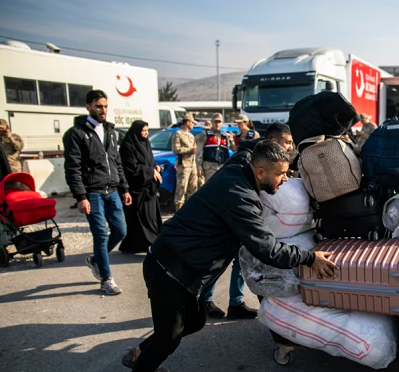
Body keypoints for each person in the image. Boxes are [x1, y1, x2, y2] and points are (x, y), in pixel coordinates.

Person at [122, 140, 337, 372]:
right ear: (261, 171)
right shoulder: (240, 197)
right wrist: (310, 258)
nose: (285, 179)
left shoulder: (239, 166)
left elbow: (246, 149)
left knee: (194, 321)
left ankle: (141, 354)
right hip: (169, 269)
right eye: (281, 174)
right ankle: (143, 363)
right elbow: (267, 249)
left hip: (185, 268)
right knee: (169, 338)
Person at [203, 122, 295, 319]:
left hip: (249, 216)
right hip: (231, 218)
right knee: (220, 259)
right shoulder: (245, 158)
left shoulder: (273, 161)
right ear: (273, 141)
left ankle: (236, 302)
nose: (290, 147)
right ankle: (205, 300)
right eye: (287, 142)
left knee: (242, 261)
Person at [63, 90, 132, 295]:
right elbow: (72, 167)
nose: (103, 110)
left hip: (111, 190)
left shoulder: (110, 131)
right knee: (100, 234)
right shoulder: (76, 133)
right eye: (98, 106)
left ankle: (95, 259)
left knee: (121, 231)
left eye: (105, 106)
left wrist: (124, 188)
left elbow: (116, 162)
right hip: (92, 192)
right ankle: (106, 278)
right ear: (88, 107)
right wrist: (80, 196)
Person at [118, 120, 163, 254]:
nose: (146, 134)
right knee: (140, 218)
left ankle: (137, 245)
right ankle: (150, 244)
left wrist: (155, 167)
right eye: (144, 131)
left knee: (150, 217)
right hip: (136, 188)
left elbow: (148, 160)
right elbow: (131, 168)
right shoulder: (128, 146)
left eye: (147, 131)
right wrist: (150, 172)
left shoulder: (145, 143)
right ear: (137, 131)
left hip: (148, 189)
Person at [195, 113, 233, 181]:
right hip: (210, 166)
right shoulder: (205, 134)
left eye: (219, 122)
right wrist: (199, 165)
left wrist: (232, 141)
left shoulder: (224, 136)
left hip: (222, 166)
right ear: (212, 122)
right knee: (210, 188)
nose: (217, 124)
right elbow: (199, 151)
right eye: (215, 122)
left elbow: (232, 150)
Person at [172, 114, 197, 211]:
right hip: (183, 165)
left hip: (192, 164)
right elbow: (176, 149)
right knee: (181, 188)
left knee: (193, 188)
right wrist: (190, 150)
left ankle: (191, 211)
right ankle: (179, 211)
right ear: (187, 122)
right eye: (192, 123)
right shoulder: (178, 134)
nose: (193, 125)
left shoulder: (191, 135)